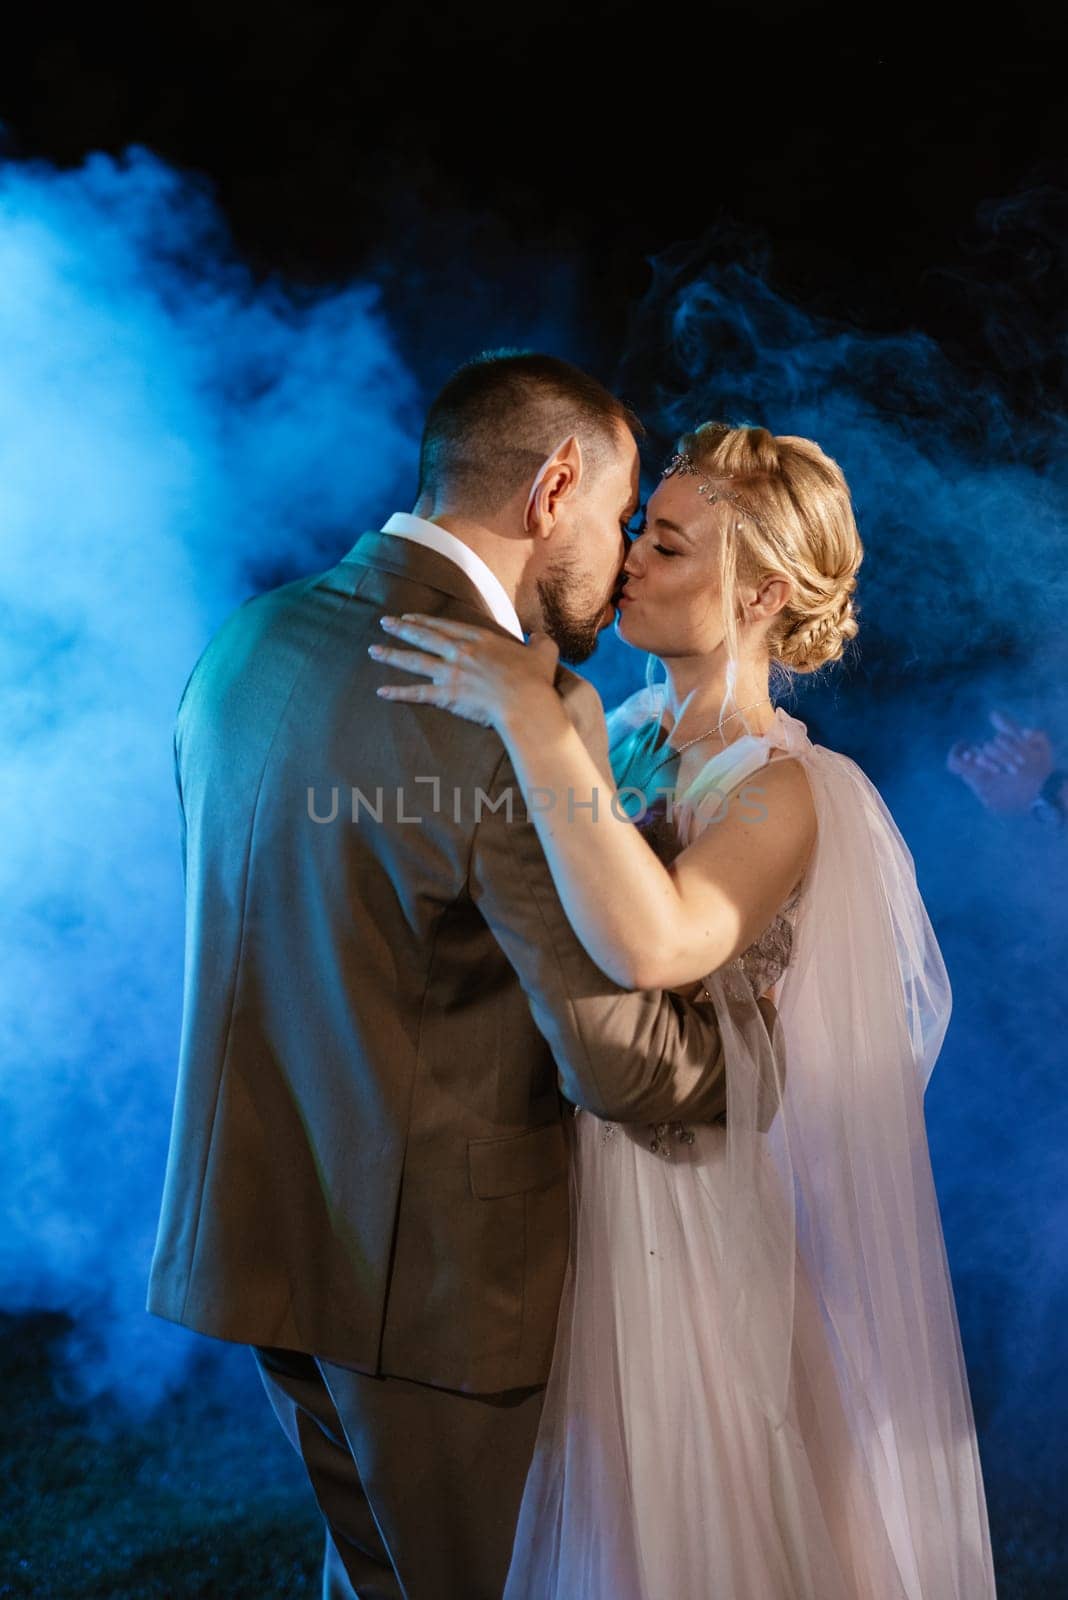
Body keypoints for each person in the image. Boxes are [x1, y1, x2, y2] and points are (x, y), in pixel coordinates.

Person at [145, 353, 773, 1600]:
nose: (623, 550)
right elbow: (620, 1057)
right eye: (617, 512)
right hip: (436, 1285)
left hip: (266, 1240)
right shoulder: (504, 709)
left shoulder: (251, 639)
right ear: (553, 490)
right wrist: (756, 1054)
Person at [373, 421, 998, 1598]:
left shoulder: (788, 789)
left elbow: (660, 940)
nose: (627, 564)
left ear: (760, 593)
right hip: (569, 1178)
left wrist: (529, 721)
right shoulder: (615, 733)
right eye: (638, 535)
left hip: (690, 1209)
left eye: (664, 544)